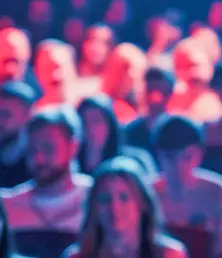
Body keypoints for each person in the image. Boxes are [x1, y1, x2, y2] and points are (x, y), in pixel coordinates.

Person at [150, 116, 222, 258]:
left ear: (200, 155)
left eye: (187, 157)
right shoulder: (146, 193)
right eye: (170, 158)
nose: (179, 167)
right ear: (158, 156)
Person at [62, 157, 187, 258]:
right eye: (105, 199)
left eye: (124, 198)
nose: (114, 208)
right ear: (94, 207)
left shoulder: (170, 255)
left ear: (142, 203)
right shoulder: (76, 256)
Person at [1, 105, 93, 233]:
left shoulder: (97, 199)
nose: (39, 159)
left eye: (48, 148)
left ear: (73, 148)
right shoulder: (7, 205)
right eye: (32, 150)